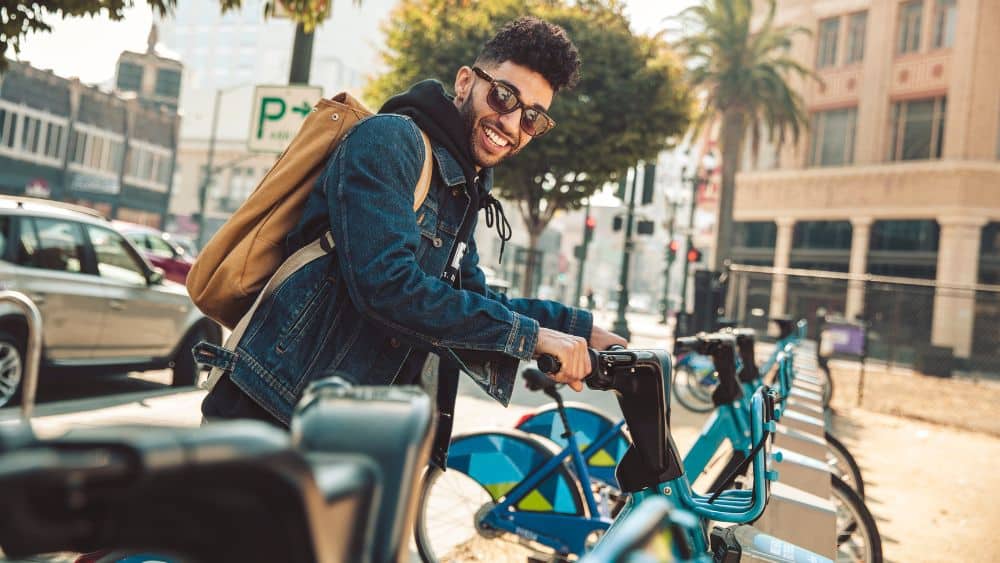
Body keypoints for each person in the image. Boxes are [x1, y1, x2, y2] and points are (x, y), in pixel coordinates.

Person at [199, 16, 626, 465]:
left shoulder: (461, 191)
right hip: (271, 419)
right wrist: (533, 338)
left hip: (349, 438)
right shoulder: (390, 142)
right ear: (465, 83)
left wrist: (584, 332)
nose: (513, 121)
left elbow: (469, 301)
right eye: (504, 96)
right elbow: (387, 286)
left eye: (532, 117)